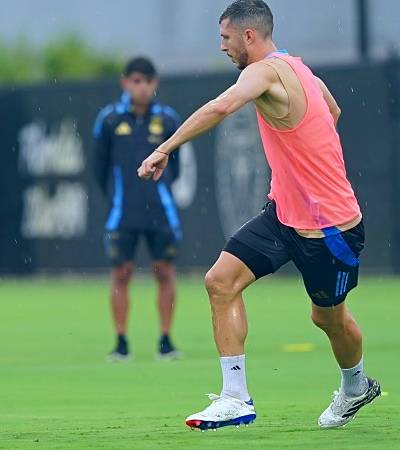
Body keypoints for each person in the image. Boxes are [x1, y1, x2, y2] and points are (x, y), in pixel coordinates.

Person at [137, 0, 381, 430]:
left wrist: (163, 149)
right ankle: (236, 398)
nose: (222, 47)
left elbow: (219, 108)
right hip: (283, 216)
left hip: (331, 229)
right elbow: (333, 111)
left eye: (225, 38)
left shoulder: (263, 70)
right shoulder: (299, 67)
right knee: (219, 282)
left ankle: (356, 386)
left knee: (328, 318)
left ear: (249, 37)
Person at [93, 57, 183, 361]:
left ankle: (166, 340)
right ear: (125, 83)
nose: (141, 87)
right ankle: (120, 342)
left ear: (155, 84)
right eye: (135, 81)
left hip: (161, 211)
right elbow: (99, 168)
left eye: (146, 81)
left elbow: (177, 167)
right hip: (123, 212)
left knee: (165, 272)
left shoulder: (168, 120)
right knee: (121, 273)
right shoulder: (109, 119)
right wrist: (121, 195)